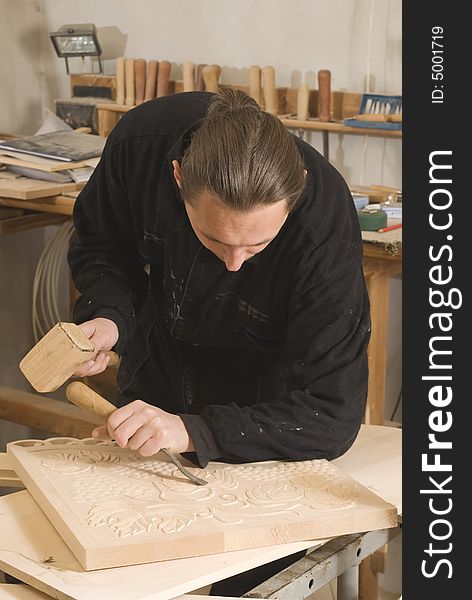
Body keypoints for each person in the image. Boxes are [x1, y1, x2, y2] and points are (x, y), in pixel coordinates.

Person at [68, 88, 371, 470]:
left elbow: (332, 415)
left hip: (260, 419)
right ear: (178, 177)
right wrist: (109, 316)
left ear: (294, 197)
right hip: (157, 382)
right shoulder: (141, 147)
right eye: (214, 238)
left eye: (258, 244)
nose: (234, 263)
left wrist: (195, 432)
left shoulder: (323, 222)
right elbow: (101, 245)